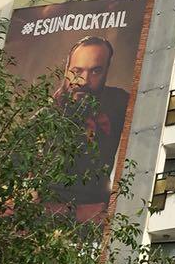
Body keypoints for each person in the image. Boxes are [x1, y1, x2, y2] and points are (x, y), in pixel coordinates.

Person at [51, 34, 130, 207]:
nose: (84, 81)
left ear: (106, 72)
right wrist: (78, 213)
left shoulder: (120, 102)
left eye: (95, 71)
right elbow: (14, 203)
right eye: (77, 71)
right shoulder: (46, 120)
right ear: (66, 70)